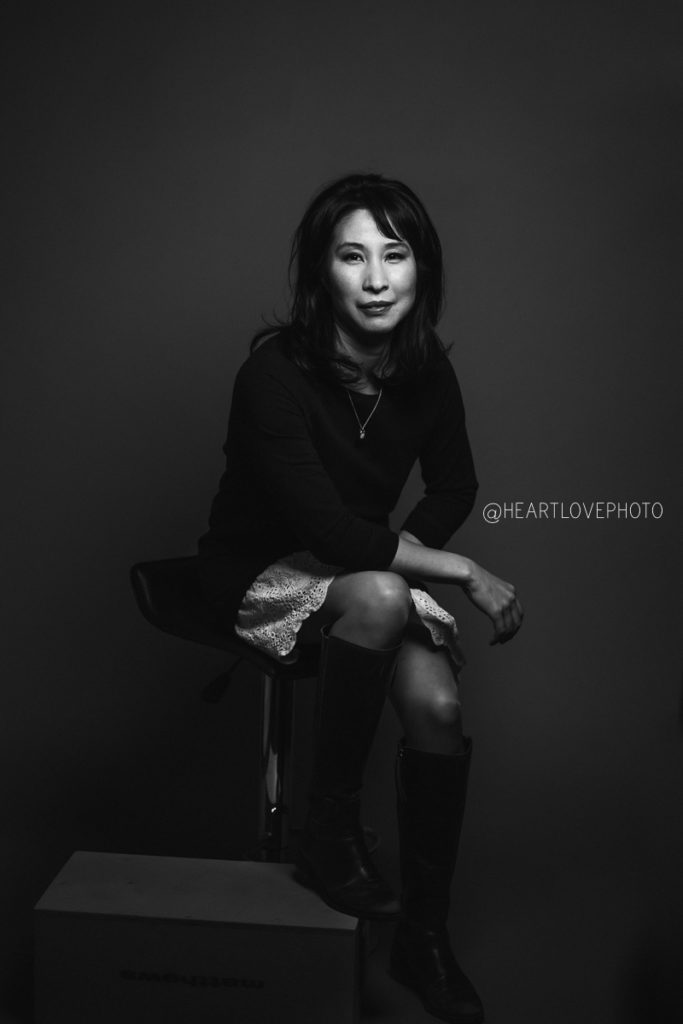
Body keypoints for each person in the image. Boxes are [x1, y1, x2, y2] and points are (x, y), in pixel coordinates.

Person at [198, 173, 523, 1024]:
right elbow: (326, 531)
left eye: (395, 254)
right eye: (352, 257)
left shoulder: (425, 372)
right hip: (260, 569)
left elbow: (454, 486)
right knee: (379, 592)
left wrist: (407, 554)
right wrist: (458, 571)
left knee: (439, 707)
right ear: (321, 272)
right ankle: (326, 834)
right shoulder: (272, 375)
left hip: (361, 568)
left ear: (422, 268)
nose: (376, 279)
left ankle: (423, 938)